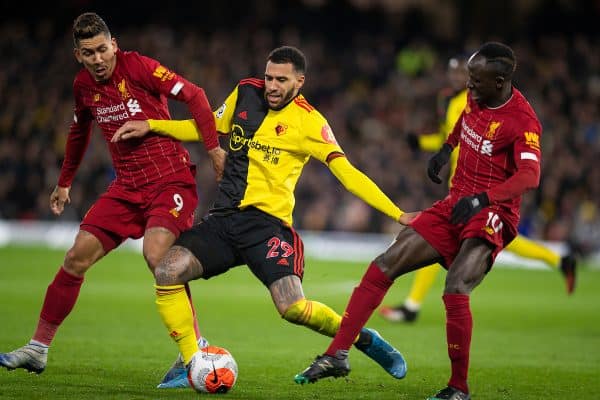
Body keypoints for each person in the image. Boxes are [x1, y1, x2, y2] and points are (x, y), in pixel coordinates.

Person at [111, 45, 417, 388]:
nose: (271, 85)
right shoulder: (246, 92)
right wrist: (152, 125)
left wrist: (398, 213)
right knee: (168, 270)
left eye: (281, 80)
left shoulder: (310, 122)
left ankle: (361, 338)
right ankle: (190, 360)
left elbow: (348, 175)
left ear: (299, 82)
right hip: (224, 220)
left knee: (293, 309)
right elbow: (207, 126)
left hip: (267, 227)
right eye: (269, 77)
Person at [294, 42, 542, 400]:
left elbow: (530, 176)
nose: (468, 86)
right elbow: (463, 123)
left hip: (492, 212)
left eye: (476, 80)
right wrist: (445, 150)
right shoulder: (475, 99)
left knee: (456, 287)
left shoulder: (522, 121)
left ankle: (458, 389)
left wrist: (482, 199)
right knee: (383, 265)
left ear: (501, 81)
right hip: (455, 202)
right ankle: (337, 354)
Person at [0, 12, 226, 383]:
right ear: (78, 55)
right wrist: (64, 182)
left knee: (158, 257)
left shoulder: (139, 67)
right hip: (126, 188)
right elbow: (79, 132)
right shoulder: (82, 87)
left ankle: (194, 352)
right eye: (89, 53)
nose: (98, 59)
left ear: (114, 44)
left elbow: (195, 95)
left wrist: (214, 150)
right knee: (75, 257)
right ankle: (38, 349)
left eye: (103, 49)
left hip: (170, 181)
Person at [379, 55, 577, 324]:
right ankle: (559, 260)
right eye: (455, 73)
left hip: (480, 184)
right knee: (449, 236)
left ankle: (413, 305)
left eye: (464, 74)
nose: (459, 79)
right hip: (458, 183)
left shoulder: (480, 100)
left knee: (438, 236)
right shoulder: (449, 98)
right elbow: (451, 133)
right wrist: (426, 144)